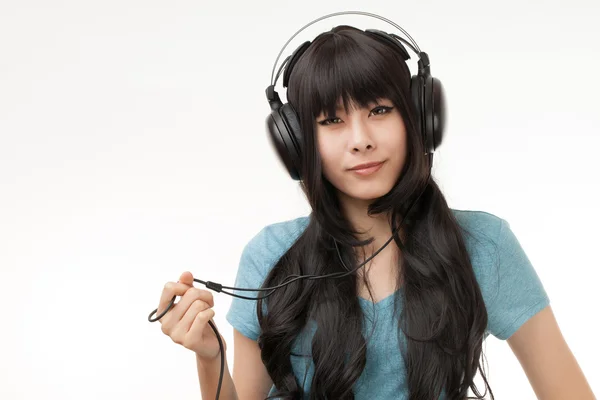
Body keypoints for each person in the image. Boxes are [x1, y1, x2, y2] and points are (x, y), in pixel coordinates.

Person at [155, 23, 596, 400]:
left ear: (419, 118)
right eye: (332, 121)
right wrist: (209, 357)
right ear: (299, 145)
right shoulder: (271, 256)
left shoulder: (484, 245)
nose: (360, 139)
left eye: (380, 110)